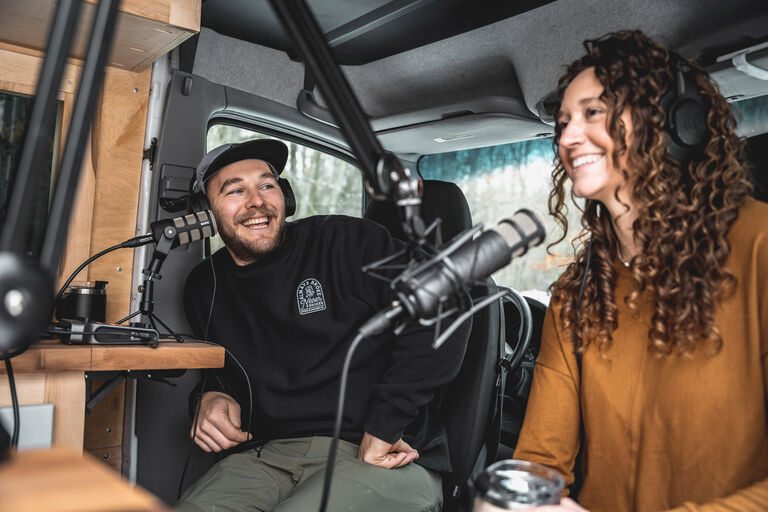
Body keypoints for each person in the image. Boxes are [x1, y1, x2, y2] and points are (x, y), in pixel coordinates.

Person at [513, 30, 768, 511]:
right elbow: (540, 459)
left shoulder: (758, 248)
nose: (567, 137)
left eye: (593, 112)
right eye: (563, 121)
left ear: (674, 124)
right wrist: (517, 499)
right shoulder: (577, 294)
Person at [177, 138, 468, 512]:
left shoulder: (344, 242)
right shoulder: (205, 287)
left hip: (380, 452)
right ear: (206, 213)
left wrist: (384, 426)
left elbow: (448, 299)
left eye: (267, 185)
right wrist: (207, 399)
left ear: (285, 196)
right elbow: (225, 373)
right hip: (265, 459)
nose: (257, 202)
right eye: (236, 191)